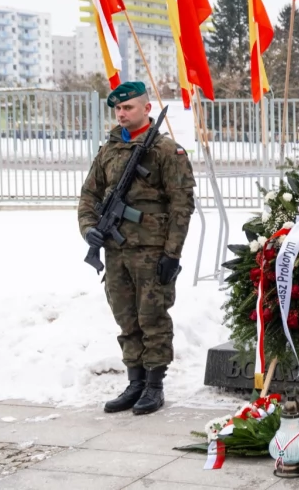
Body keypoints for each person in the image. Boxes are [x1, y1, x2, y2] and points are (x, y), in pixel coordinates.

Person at [77, 82, 195, 415]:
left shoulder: (167, 151)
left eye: (128, 107)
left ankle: (154, 386)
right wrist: (89, 230)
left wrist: (172, 254)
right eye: (118, 109)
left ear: (146, 109)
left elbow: (181, 205)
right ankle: (135, 382)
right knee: (126, 318)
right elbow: (89, 196)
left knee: (152, 318)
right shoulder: (109, 150)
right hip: (115, 249)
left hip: (152, 250)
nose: (121, 113)